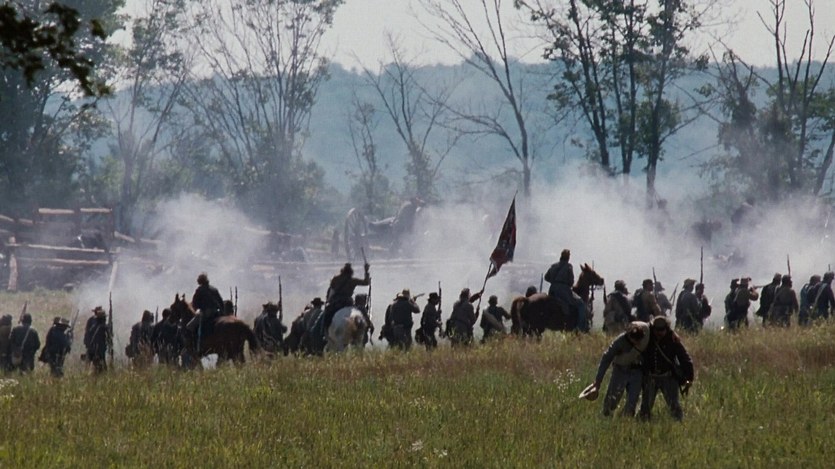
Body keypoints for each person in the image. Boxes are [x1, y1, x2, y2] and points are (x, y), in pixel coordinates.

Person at [589, 321, 650, 417]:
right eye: (635, 340)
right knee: (610, 402)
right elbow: (606, 358)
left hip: (637, 371)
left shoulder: (645, 339)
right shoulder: (620, 342)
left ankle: (627, 420)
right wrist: (598, 381)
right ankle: (606, 418)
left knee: (632, 402)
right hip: (620, 371)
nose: (638, 343)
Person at [639, 316, 694, 421]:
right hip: (650, 377)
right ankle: (642, 424)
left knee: (674, 406)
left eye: (662, 330)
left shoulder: (672, 340)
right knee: (645, 407)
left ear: (666, 329)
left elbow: (685, 359)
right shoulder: (647, 337)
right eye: (657, 330)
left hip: (668, 377)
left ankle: (679, 424)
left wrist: (689, 378)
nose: (659, 333)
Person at [322, 263, 370, 338]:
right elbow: (366, 282)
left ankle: (324, 333)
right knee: (362, 311)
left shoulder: (336, 279)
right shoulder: (353, 280)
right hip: (348, 302)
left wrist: (328, 301)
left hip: (336, 302)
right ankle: (368, 326)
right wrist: (366, 271)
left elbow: (331, 291)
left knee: (326, 315)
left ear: (342, 271)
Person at [544, 249, 587, 332]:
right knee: (581, 304)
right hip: (563, 290)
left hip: (552, 289)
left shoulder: (553, 266)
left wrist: (554, 282)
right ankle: (581, 328)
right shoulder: (568, 267)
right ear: (568, 257)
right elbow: (571, 281)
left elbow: (546, 277)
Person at [85, 306, 109, 374]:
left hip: (92, 348)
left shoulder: (94, 326)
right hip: (98, 350)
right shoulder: (102, 327)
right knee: (101, 369)